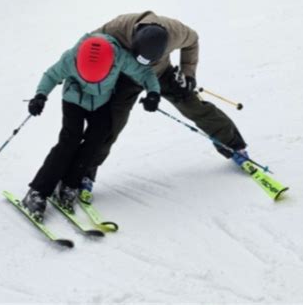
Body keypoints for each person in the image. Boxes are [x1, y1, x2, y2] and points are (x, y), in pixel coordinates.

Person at [80, 12, 247, 202]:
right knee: (110, 124)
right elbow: (88, 46)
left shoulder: (175, 32)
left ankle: (234, 146)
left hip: (161, 74)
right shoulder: (116, 28)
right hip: (125, 78)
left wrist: (188, 74)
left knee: (194, 107)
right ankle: (83, 172)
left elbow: (192, 41)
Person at [22, 33, 160, 222]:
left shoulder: (119, 56)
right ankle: (37, 191)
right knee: (69, 141)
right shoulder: (71, 57)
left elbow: (145, 72)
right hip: (74, 100)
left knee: (96, 141)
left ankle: (69, 184)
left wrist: (153, 92)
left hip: (101, 102)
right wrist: (40, 96)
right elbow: (52, 75)